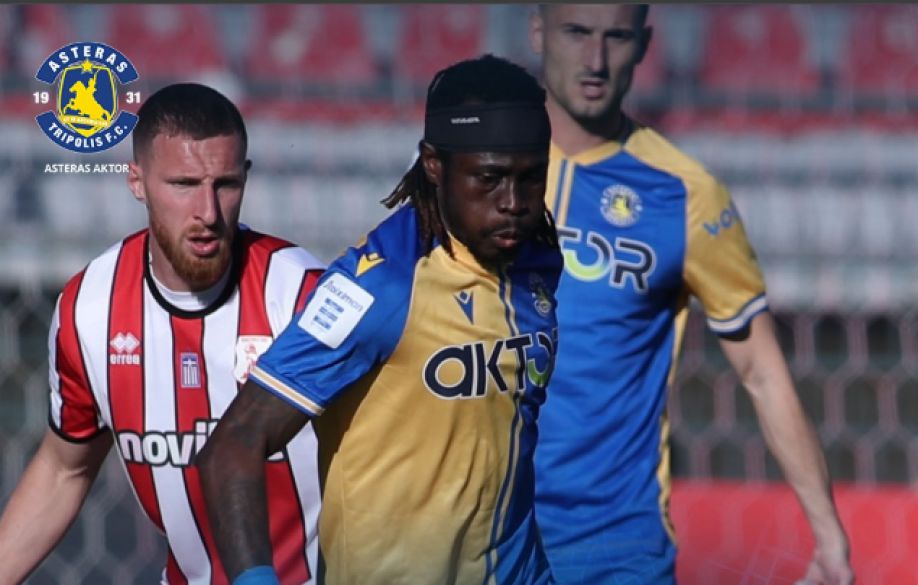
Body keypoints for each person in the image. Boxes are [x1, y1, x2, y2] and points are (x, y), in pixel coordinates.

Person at [197, 54, 562, 585]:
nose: (513, 203)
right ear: (434, 164)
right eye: (489, 178)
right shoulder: (379, 286)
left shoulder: (538, 257)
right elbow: (233, 446)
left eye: (531, 178)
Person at [528, 5, 854, 584]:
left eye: (616, 37)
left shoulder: (686, 194)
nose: (595, 60)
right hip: (480, 531)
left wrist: (828, 538)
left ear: (643, 44)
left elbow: (761, 370)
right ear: (538, 32)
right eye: (576, 33)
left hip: (615, 546)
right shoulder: (477, 164)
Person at [0, 83, 323, 585]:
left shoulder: (303, 295)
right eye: (184, 184)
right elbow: (65, 469)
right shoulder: (90, 309)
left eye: (226, 184)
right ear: (137, 182)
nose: (208, 213)